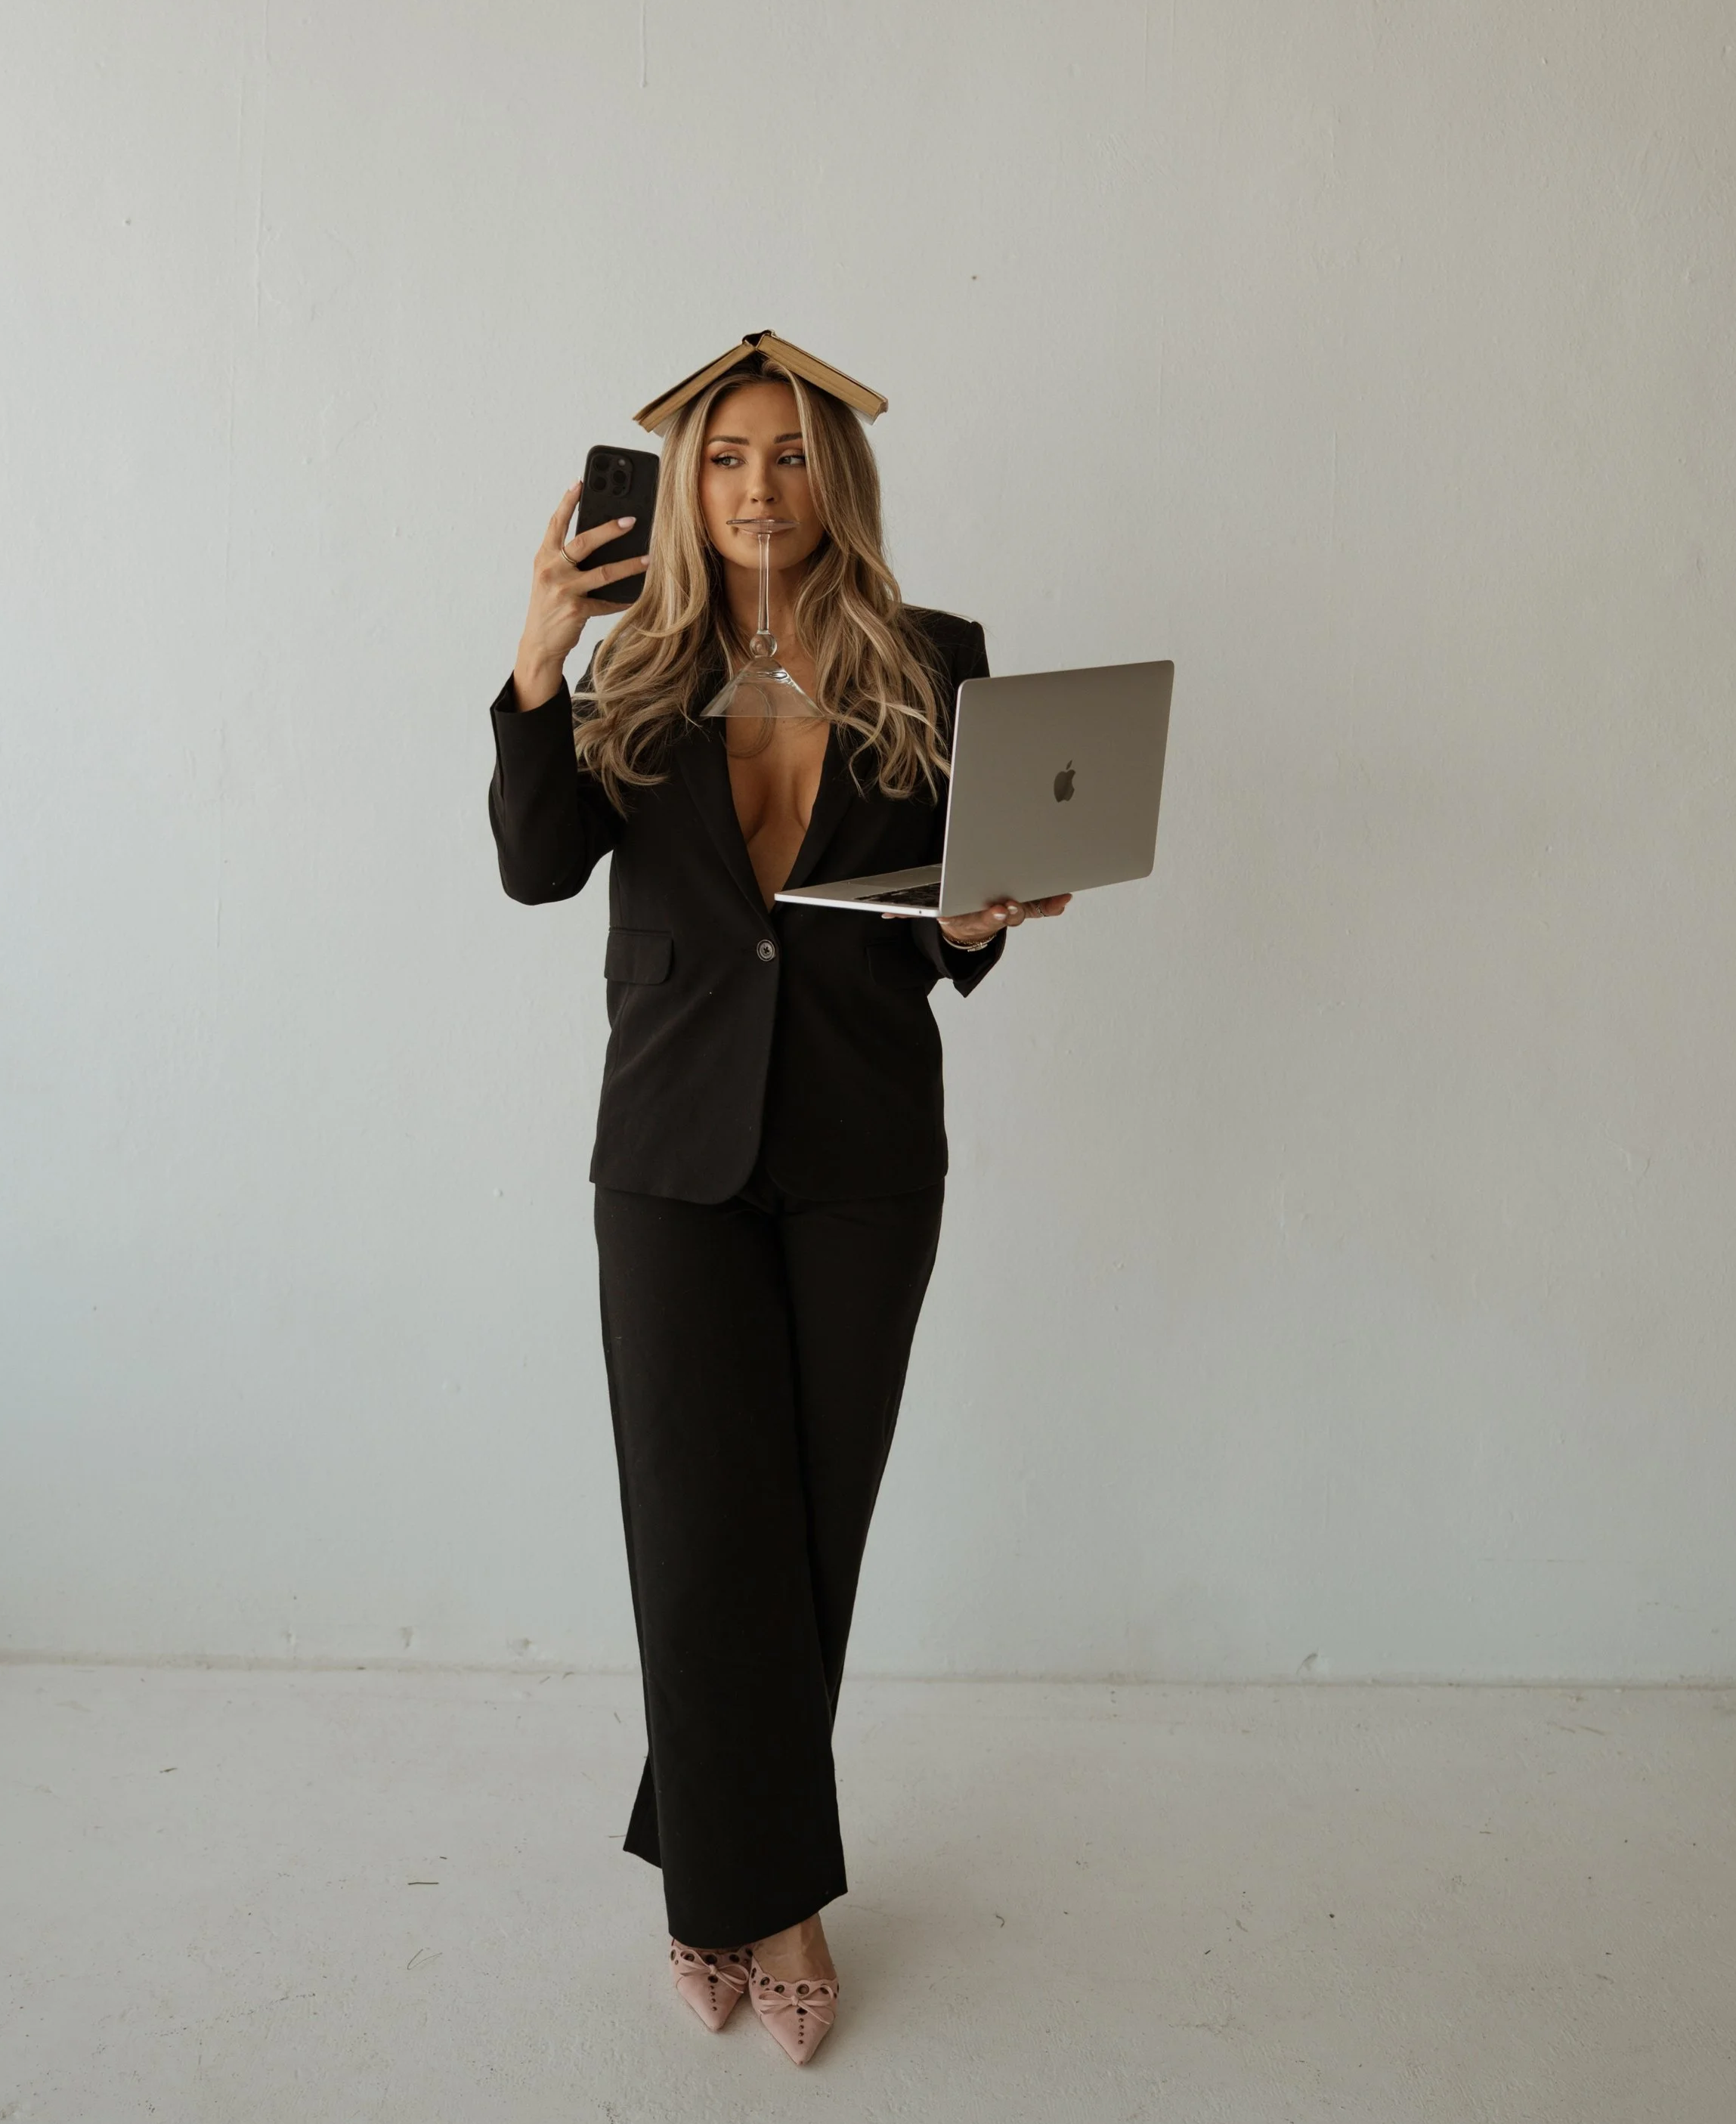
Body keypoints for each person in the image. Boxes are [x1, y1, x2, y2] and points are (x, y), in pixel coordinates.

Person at [487, 351, 1068, 2064]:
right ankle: (759, 1898)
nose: (757, 488)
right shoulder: (633, 662)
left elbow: (948, 919)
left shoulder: (933, 660)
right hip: (665, 1154)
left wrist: (977, 931)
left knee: (805, 1532)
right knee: (695, 1528)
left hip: (861, 1152)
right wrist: (533, 651)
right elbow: (533, 865)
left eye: (791, 460)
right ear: (682, 481)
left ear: (836, 485)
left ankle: (719, 1855)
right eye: (726, 458)